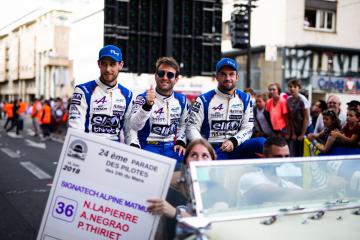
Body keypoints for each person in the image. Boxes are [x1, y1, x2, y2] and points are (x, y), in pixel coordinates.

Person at [147, 139, 231, 240]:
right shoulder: (168, 188)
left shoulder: (220, 193)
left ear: (212, 162)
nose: (199, 160)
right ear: (186, 161)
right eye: (194, 155)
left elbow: (210, 228)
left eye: (205, 156)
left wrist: (175, 213)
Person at [186, 58, 265, 160]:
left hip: (236, 145)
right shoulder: (203, 99)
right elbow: (191, 127)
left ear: (237, 77)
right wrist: (204, 148)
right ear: (217, 77)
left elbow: (248, 128)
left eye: (231, 74)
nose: (228, 78)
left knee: (262, 143)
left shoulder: (246, 99)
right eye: (223, 74)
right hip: (212, 148)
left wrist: (233, 141)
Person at [129, 57, 189, 168]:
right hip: (148, 147)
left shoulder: (182, 100)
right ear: (156, 76)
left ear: (176, 79)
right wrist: (147, 106)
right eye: (161, 73)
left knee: (188, 164)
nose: (165, 77)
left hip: (171, 148)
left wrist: (181, 141)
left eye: (170, 75)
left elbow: (184, 124)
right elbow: (133, 125)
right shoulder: (142, 98)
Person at [68, 45, 133, 142]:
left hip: (114, 153)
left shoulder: (127, 95)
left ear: (120, 65)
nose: (107, 69)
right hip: (89, 148)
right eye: (104, 64)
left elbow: (129, 131)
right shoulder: (83, 90)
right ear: (99, 64)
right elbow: (75, 128)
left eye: (112, 64)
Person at [286, 79, 311, 156]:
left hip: (306, 128)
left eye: (295, 87)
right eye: (290, 87)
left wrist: (302, 134)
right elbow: (291, 117)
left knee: (303, 152)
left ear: (299, 88)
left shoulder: (303, 100)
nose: (292, 88)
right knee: (294, 151)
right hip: (296, 127)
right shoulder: (289, 99)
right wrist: (293, 133)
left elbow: (306, 118)